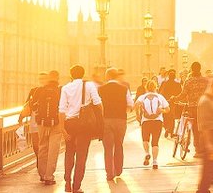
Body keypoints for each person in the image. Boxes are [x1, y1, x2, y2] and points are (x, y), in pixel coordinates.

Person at [59, 64, 103, 193]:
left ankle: (67, 183)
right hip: (85, 125)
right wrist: (100, 120)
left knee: (69, 153)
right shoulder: (89, 85)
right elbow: (98, 103)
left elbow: (61, 110)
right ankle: (76, 186)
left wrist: (62, 129)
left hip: (70, 124)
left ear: (71, 74)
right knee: (81, 155)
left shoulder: (65, 88)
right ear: (83, 74)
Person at [25, 71, 62, 185]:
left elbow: (31, 105)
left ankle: (42, 174)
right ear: (57, 78)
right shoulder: (61, 90)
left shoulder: (39, 90)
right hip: (56, 123)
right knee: (53, 149)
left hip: (41, 123)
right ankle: (49, 176)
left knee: (43, 147)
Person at [99, 68, 134, 181]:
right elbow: (130, 105)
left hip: (106, 121)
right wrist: (124, 113)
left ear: (107, 76)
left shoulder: (101, 89)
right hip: (120, 120)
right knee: (119, 145)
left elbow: (98, 105)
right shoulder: (124, 89)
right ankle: (118, 170)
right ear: (116, 76)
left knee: (108, 148)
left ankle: (109, 173)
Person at [137, 79, 171, 169]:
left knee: (145, 140)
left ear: (146, 87)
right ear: (156, 87)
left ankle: (147, 153)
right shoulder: (160, 97)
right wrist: (162, 110)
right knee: (155, 142)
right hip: (157, 121)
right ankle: (155, 162)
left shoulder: (142, 97)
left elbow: (136, 105)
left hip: (146, 121)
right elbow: (168, 109)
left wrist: (138, 115)